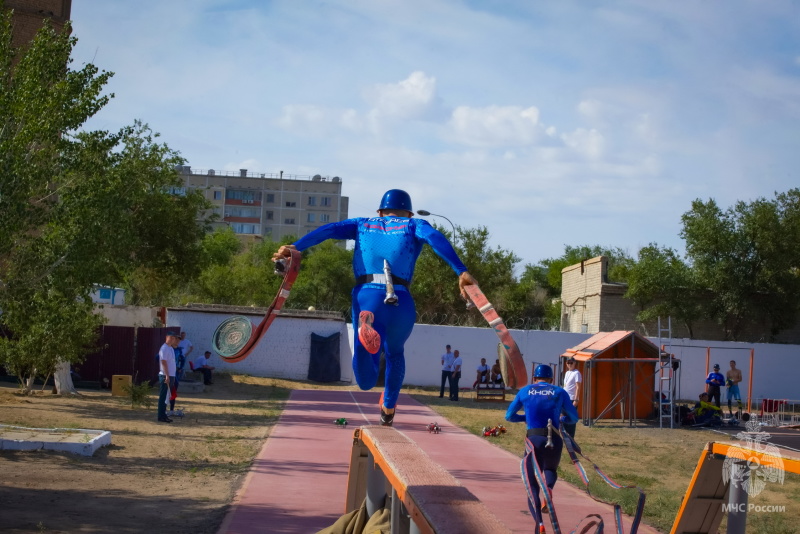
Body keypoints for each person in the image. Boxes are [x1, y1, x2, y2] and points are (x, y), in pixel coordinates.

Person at [273, 189, 476, 426]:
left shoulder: (362, 224)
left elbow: (327, 231)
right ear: (408, 213)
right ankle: (388, 407)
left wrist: (294, 247)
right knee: (395, 353)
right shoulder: (413, 225)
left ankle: (364, 339)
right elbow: (435, 238)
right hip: (401, 300)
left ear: (379, 211)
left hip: (367, 295)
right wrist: (461, 270)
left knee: (366, 381)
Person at [506, 364, 579, 527]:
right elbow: (574, 418)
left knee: (531, 484)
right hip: (554, 438)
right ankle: (549, 490)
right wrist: (562, 420)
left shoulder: (525, 391)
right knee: (550, 470)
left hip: (534, 440)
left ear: (534, 378)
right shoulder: (560, 392)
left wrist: (525, 418)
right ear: (552, 379)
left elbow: (509, 416)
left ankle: (539, 523)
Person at [157, 332, 179, 423]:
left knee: (167, 397)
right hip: (165, 375)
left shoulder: (170, 348)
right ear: (167, 337)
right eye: (171, 337)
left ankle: (164, 414)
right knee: (163, 396)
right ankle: (161, 416)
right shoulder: (164, 348)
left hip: (171, 375)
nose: (173, 339)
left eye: (174, 338)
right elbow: (163, 362)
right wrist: (166, 375)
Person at [562, 357, 582, 438]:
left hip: (572, 398)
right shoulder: (567, 373)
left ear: (575, 363)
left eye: (571, 363)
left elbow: (578, 387)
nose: (569, 364)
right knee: (564, 418)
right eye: (568, 363)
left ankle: (571, 437)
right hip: (565, 398)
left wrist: (576, 399)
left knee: (571, 418)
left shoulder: (576, 373)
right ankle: (565, 436)